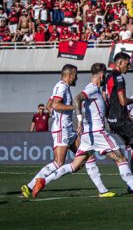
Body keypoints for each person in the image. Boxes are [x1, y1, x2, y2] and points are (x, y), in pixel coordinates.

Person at [31, 63, 133, 199]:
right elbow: (78, 98)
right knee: (121, 158)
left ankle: (43, 181)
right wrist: (79, 118)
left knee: (74, 166)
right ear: (101, 75)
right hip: (97, 133)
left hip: (87, 136)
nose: (106, 78)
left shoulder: (96, 91)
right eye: (105, 75)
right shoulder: (92, 89)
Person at [21, 64, 115, 198]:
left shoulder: (61, 86)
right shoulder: (62, 87)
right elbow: (54, 104)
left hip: (67, 129)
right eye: (75, 75)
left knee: (88, 155)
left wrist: (56, 114)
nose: (77, 77)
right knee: (59, 162)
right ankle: (30, 186)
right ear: (69, 75)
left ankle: (102, 190)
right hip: (62, 129)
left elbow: (49, 105)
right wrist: (73, 107)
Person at [104, 52, 133, 193]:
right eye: (127, 63)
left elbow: (106, 99)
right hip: (120, 119)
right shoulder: (119, 78)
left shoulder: (108, 77)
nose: (129, 66)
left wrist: (109, 119)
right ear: (119, 63)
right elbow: (123, 101)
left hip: (113, 119)